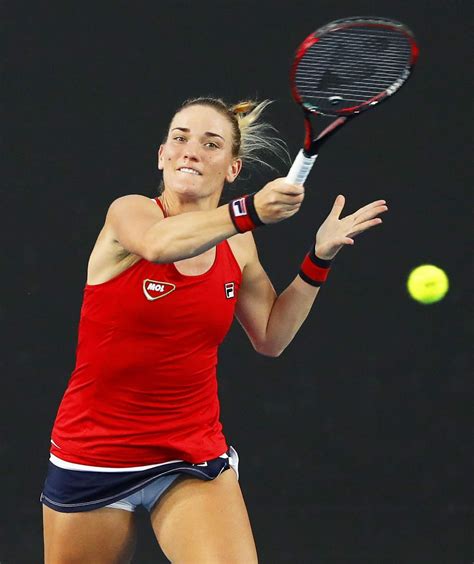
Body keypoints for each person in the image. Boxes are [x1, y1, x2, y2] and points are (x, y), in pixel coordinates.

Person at [40, 97, 388, 563]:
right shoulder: (130, 213)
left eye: (210, 144)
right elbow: (159, 245)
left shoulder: (239, 244)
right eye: (180, 138)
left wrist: (318, 258)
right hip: (95, 451)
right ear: (162, 155)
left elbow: (271, 336)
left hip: (190, 452)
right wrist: (249, 211)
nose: (191, 151)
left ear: (231, 168)